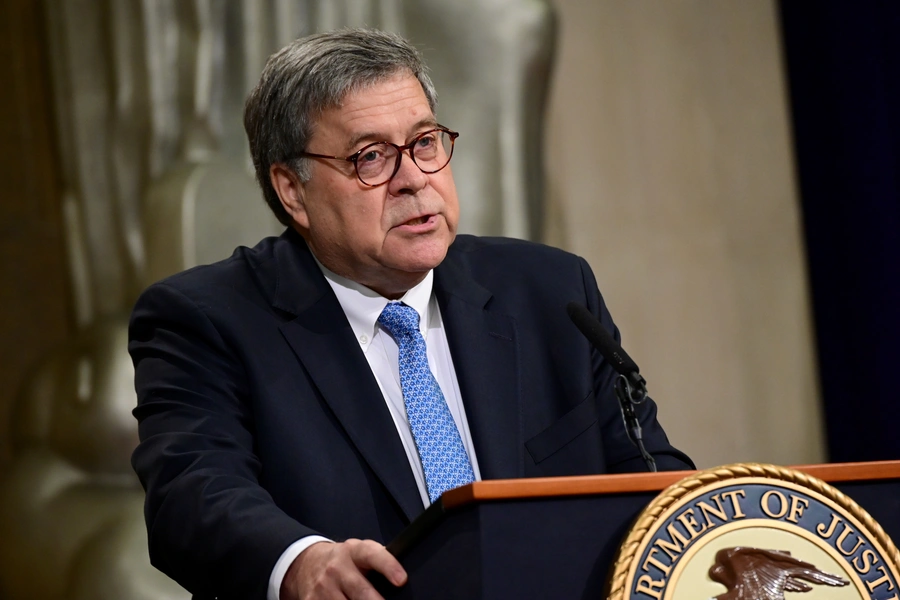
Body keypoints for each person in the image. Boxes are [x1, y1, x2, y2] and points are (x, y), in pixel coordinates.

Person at [129, 28, 693, 600]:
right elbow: (192, 493)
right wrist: (300, 561)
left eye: (425, 142)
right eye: (370, 157)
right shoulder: (207, 320)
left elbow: (649, 475)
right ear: (292, 191)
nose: (414, 179)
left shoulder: (550, 291)